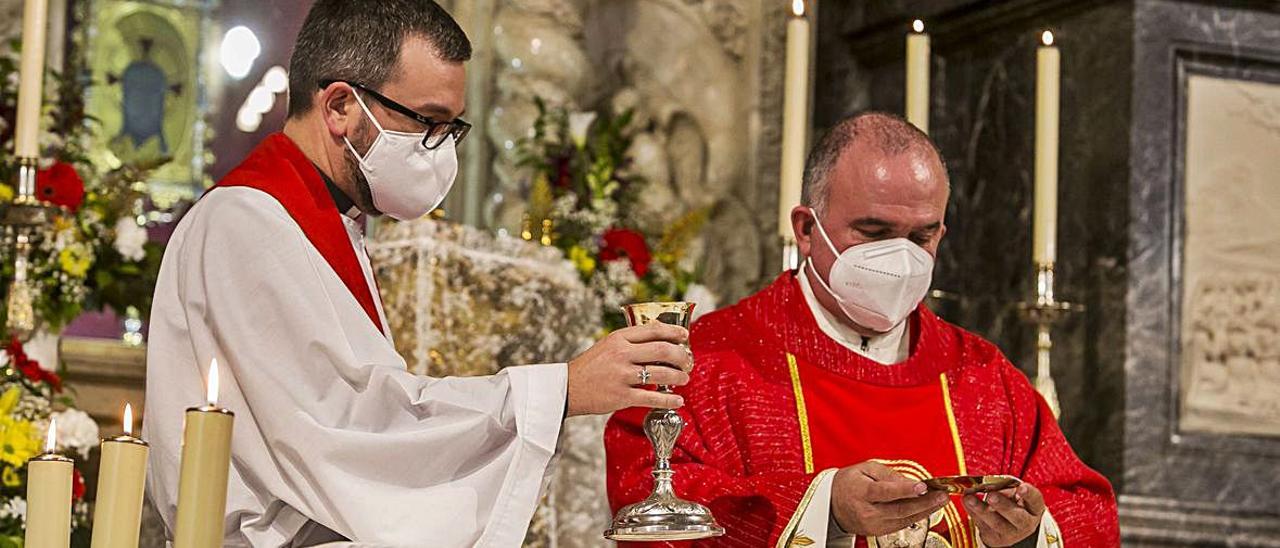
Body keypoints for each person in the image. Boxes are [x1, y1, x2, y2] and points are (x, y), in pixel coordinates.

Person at [143, 1, 692, 545]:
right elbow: (352, 431)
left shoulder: (326, 222)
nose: (439, 150)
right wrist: (562, 390)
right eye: (428, 122)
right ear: (340, 106)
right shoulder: (247, 222)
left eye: (452, 128)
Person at [604, 112, 1120, 547]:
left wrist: (1028, 533)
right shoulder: (705, 362)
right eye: (874, 232)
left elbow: (1088, 513)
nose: (901, 256)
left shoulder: (983, 376)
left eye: (923, 235)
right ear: (807, 229)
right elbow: (649, 509)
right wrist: (823, 508)